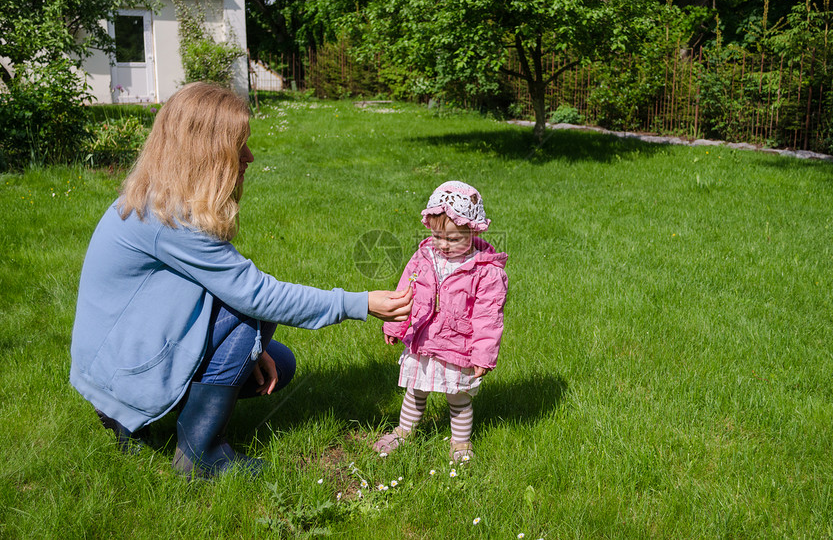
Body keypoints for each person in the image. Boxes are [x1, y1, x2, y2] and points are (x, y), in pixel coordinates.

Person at [69, 82, 412, 479]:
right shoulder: (172, 219)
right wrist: (361, 302)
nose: (248, 156)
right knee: (256, 316)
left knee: (277, 362)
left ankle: (130, 417)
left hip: (111, 364)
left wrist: (245, 349)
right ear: (206, 153)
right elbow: (258, 295)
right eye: (238, 146)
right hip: (123, 374)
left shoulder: (155, 200)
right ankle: (200, 455)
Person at [375, 181, 508, 462]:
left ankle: (460, 443)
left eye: (453, 239)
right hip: (423, 339)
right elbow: (406, 292)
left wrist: (482, 356)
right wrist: (394, 324)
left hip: (458, 344)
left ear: (472, 230)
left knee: (458, 398)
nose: (443, 245)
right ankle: (404, 430)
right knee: (415, 389)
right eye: (437, 236)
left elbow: (488, 317)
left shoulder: (485, 271)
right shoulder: (424, 256)